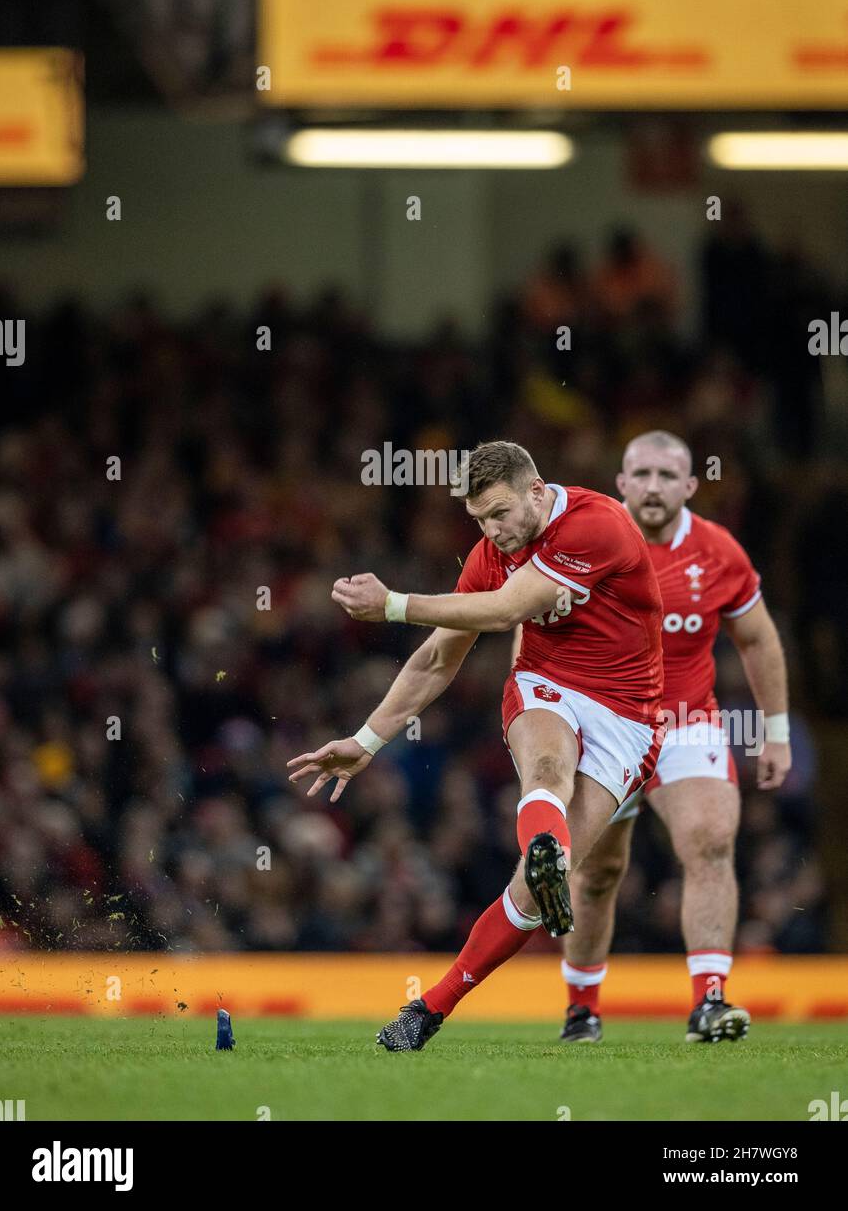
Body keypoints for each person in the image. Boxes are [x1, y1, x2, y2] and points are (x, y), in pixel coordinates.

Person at [287, 439, 664, 1051]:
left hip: (630, 716)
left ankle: (439, 998)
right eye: (480, 520)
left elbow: (503, 609)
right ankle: (545, 851)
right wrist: (367, 739)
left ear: (537, 493)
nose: (491, 531)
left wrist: (392, 604)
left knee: (531, 898)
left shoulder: (598, 525)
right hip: (550, 684)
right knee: (546, 764)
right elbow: (439, 657)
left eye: (499, 513)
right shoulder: (494, 552)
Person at [558, 430, 791, 1045]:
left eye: (668, 476)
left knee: (710, 841)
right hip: (604, 728)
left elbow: (758, 639)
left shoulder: (719, 553)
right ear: (623, 483)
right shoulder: (585, 544)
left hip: (688, 722)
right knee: (597, 871)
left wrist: (776, 732)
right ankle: (581, 1010)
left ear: (690, 486)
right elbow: (533, 632)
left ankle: (709, 1004)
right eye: (643, 474)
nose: (654, 487)